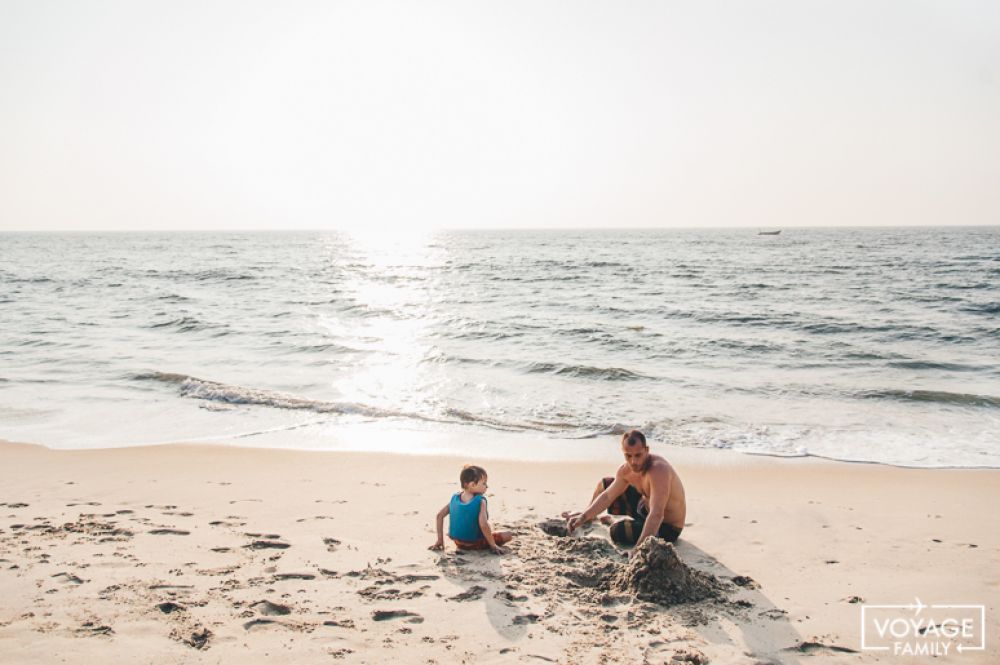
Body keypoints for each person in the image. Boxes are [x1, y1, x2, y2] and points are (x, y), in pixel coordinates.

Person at [565, 429, 686, 547]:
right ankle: (590, 518)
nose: (633, 461)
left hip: (667, 527)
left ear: (647, 450)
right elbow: (608, 496)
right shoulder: (626, 470)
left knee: (618, 531)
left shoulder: (658, 470)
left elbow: (657, 514)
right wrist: (584, 516)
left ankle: (612, 521)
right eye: (628, 456)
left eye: (638, 455)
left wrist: (639, 549)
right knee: (606, 483)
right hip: (643, 510)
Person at [429, 464, 513, 554]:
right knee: (508, 535)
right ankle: (490, 543)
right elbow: (483, 524)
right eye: (484, 483)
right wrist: (493, 545)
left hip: (458, 542)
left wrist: (440, 540)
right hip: (475, 543)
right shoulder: (480, 501)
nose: (486, 486)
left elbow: (439, 516)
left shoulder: (455, 498)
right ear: (472, 484)